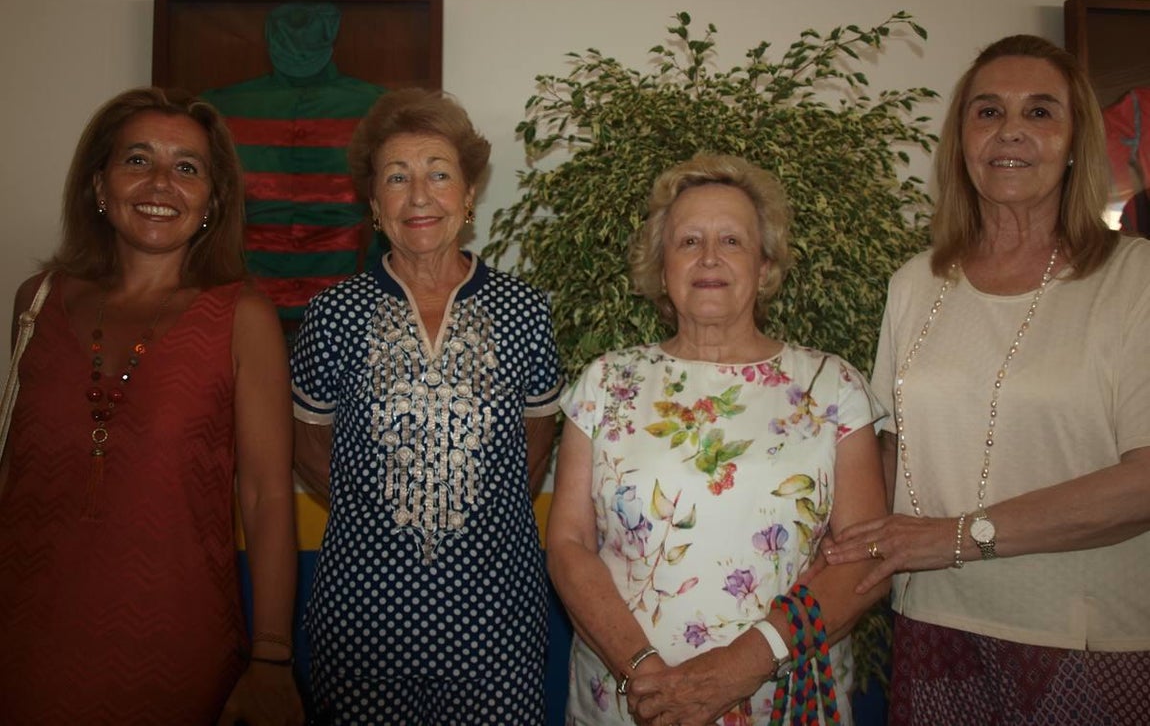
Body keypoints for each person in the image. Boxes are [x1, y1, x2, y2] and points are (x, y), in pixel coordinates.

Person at [824, 35, 1150, 724]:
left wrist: (957, 535)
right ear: (961, 141)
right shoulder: (916, 282)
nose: (1011, 131)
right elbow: (893, 451)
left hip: (1083, 636)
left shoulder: (1134, 278)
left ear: (1076, 142)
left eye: (1040, 112)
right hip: (932, 623)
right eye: (989, 111)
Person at [547, 154, 890, 726]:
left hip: (782, 701)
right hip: (630, 703)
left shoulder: (833, 386)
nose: (709, 257)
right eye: (688, 242)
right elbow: (569, 545)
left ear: (765, 264)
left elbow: (865, 560)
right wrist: (646, 674)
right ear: (662, 267)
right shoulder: (605, 383)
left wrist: (737, 669)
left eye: (732, 240)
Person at [0, 88, 303, 725]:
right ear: (98, 184)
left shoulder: (243, 319)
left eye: (187, 167)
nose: (161, 182)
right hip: (25, 638)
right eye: (137, 159)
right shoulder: (35, 302)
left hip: (176, 646)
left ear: (213, 200)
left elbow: (267, 497)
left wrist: (272, 658)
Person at [291, 87, 564, 724]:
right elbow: (309, 450)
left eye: (439, 174)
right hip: (363, 623)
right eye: (396, 177)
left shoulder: (524, 311)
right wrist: (386, 513)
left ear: (469, 196)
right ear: (373, 202)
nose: (419, 196)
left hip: (496, 622)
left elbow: (536, 445)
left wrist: (471, 512)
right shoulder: (332, 315)